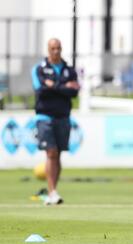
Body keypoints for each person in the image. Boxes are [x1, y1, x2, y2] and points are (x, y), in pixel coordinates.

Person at [31, 38, 80, 205]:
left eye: (58, 48)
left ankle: (53, 192)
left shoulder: (69, 70)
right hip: (44, 117)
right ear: (48, 49)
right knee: (51, 152)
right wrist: (64, 87)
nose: (56, 51)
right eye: (53, 48)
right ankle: (52, 192)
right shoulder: (39, 69)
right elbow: (41, 90)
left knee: (58, 154)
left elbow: (74, 92)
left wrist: (54, 85)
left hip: (63, 117)